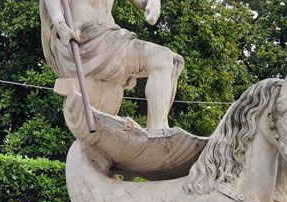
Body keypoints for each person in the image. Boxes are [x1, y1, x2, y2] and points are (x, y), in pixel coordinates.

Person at [40, 0, 184, 129]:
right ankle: (158, 131)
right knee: (161, 57)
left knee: (168, 59)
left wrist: (154, 1)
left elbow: (140, 2)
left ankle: (158, 128)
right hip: (82, 41)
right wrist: (59, 23)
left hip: (109, 38)